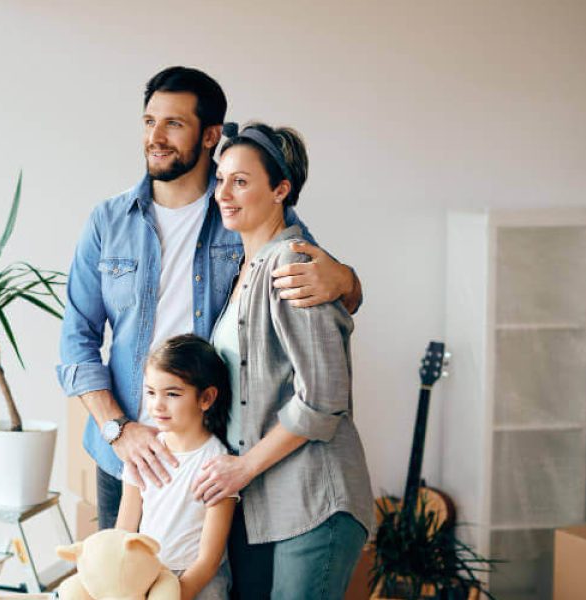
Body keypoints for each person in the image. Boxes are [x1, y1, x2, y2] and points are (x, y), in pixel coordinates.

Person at [56, 66, 365, 530]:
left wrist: (344, 277)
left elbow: (332, 287)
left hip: (214, 458)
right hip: (126, 456)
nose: (155, 137)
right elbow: (76, 342)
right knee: (121, 582)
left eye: (173, 124)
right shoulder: (108, 221)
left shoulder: (243, 211)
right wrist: (119, 430)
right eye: (148, 122)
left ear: (210, 135)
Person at [193, 122, 373, 599]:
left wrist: (243, 467)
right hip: (264, 506)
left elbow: (323, 397)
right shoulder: (245, 269)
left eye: (241, 181)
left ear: (281, 190)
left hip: (313, 500)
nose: (223, 194)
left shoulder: (292, 265)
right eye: (221, 179)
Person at [114, 334, 235, 600]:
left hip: (200, 582)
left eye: (172, 394)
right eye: (151, 392)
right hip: (148, 575)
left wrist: (177, 594)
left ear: (206, 398)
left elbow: (209, 558)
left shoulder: (217, 463)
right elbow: (123, 531)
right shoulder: (141, 455)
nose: (157, 405)